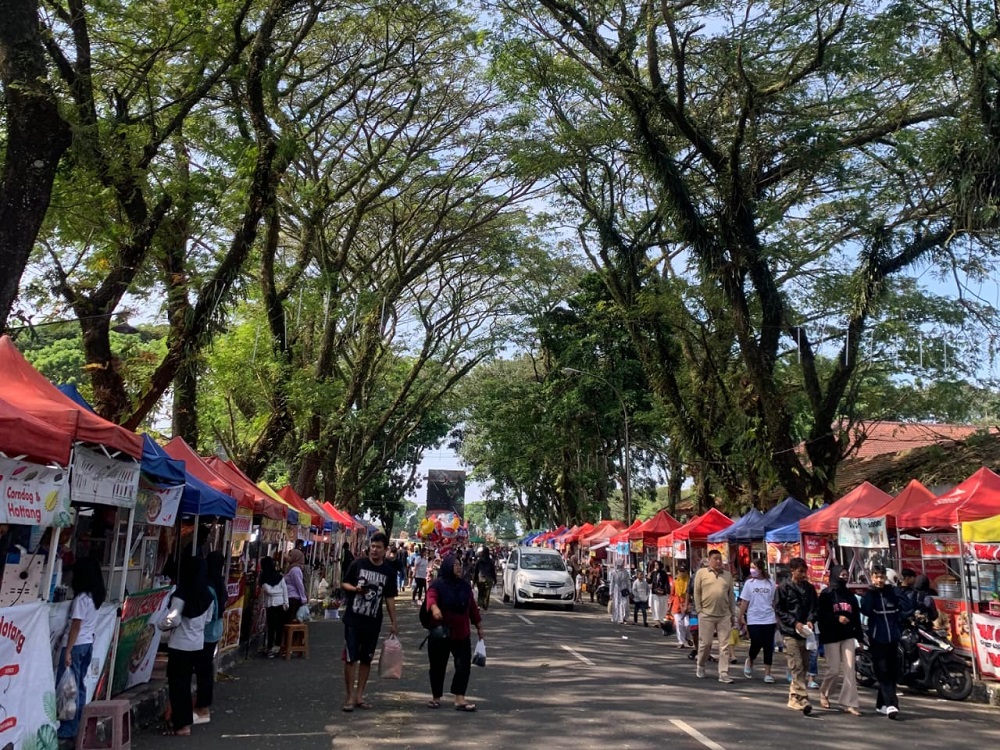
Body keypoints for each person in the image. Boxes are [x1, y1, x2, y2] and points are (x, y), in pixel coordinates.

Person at [340, 531, 399, 712]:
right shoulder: (358, 564)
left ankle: (359, 695)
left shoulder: (388, 571)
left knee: (366, 659)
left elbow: (389, 598)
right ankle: (349, 696)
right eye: (372, 546)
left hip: (373, 622)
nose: (374, 550)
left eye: (378, 547)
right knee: (351, 658)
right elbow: (344, 583)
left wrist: (394, 622)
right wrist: (355, 589)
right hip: (353, 619)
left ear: (385, 550)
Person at [160, 556, 215, 736]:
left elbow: (173, 618)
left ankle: (182, 725)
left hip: (179, 645)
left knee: (178, 686)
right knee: (185, 684)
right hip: (197, 644)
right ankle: (182, 722)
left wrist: (159, 625)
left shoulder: (181, 594)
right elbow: (207, 620)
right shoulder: (208, 596)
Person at [426, 552, 485, 711]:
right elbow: (430, 597)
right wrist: (434, 607)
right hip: (441, 633)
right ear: (447, 566)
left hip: (462, 633)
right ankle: (436, 697)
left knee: (463, 665)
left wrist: (479, 627)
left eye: (460, 565)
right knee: (438, 665)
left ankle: (460, 698)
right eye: (455, 565)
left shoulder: (465, 586)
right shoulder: (438, 584)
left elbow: (472, 608)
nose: (459, 568)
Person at [56, 558, 106, 743]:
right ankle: (79, 723)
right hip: (87, 644)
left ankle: (69, 728)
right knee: (79, 686)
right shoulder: (95, 596)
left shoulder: (81, 599)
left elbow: (76, 625)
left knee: (69, 689)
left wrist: (68, 650)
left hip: (76, 645)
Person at [817, 564, 863, 716]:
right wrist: (837, 617)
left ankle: (849, 703)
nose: (844, 577)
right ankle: (824, 692)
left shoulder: (850, 596)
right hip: (831, 636)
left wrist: (860, 638)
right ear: (835, 575)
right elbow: (821, 615)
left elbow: (856, 617)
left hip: (848, 635)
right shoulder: (826, 594)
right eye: (841, 574)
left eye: (846, 574)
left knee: (850, 669)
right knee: (834, 669)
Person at [775, 557, 818, 713]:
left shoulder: (810, 588)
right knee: (796, 665)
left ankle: (794, 698)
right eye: (800, 571)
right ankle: (803, 698)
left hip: (806, 632)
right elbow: (780, 610)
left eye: (805, 571)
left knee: (805, 665)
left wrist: (810, 620)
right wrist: (794, 623)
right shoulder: (783, 588)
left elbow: (814, 608)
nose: (803, 574)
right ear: (792, 571)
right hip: (790, 632)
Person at [860, 564, 903, 719]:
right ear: (872, 577)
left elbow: (903, 607)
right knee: (882, 670)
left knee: (892, 671)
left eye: (882, 577)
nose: (879, 580)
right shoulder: (869, 594)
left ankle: (881, 704)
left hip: (893, 637)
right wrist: (871, 593)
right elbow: (865, 610)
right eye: (876, 577)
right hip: (877, 638)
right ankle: (892, 704)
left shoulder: (891, 592)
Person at [693, 549, 737, 683]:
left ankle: (723, 672)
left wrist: (732, 614)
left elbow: (731, 596)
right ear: (709, 560)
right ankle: (701, 665)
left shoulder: (727, 575)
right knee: (706, 644)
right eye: (715, 559)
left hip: (724, 615)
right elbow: (696, 592)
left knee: (724, 645)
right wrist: (699, 610)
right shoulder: (702, 573)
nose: (718, 561)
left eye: (720, 559)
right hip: (706, 614)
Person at [194, 551, 227, 725]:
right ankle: (203, 704)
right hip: (215, 630)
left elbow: (208, 615)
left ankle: (203, 706)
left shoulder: (208, 586)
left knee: (203, 670)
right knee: (206, 669)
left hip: (206, 632)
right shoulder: (220, 583)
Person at [738, 557, 777, 683]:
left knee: (768, 646)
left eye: (754, 567)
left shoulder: (770, 582)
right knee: (756, 642)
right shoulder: (749, 583)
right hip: (754, 617)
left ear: (760, 569)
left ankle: (768, 673)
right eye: (751, 567)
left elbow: (774, 602)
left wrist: (777, 616)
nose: (752, 570)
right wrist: (740, 616)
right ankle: (750, 660)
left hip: (769, 618)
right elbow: (744, 602)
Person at [259, 556, 288, 658]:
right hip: (274, 604)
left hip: (275, 604)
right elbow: (271, 591)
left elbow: (274, 590)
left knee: (276, 626)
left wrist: (285, 602)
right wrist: (281, 595)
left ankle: (275, 647)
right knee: (273, 627)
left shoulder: (265, 578)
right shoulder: (278, 577)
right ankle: (272, 647)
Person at [671, 562, 691, 648]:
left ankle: (687, 637)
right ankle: (681, 642)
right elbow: (672, 594)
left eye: (683, 571)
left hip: (688, 605)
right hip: (677, 605)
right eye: (680, 571)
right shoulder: (675, 582)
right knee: (679, 625)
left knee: (687, 624)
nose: (682, 573)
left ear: (687, 572)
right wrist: (669, 608)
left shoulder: (690, 582)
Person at [285, 548, 308, 621]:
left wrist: (303, 598)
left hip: (293, 598)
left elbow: (299, 585)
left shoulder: (295, 570)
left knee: (290, 620)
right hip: (291, 596)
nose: (288, 557)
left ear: (296, 557)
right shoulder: (292, 568)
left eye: (290, 555)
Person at [473, 547, 497, 611]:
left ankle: (479, 605)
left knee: (480, 592)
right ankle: (485, 605)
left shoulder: (479, 561)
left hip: (481, 578)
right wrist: (495, 579)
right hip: (489, 578)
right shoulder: (491, 561)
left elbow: (476, 571)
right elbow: (493, 571)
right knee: (487, 593)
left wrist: (474, 580)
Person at [648, 560, 670, 626]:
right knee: (655, 607)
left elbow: (666, 583)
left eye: (657, 565)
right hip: (655, 592)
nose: (656, 566)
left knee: (662, 607)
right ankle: (656, 620)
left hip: (662, 593)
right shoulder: (653, 573)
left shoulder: (664, 573)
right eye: (655, 565)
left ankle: (661, 619)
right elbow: (649, 581)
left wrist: (667, 591)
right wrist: (648, 577)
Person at [609, 560, 631, 625]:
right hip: (616, 591)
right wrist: (611, 592)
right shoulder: (613, 572)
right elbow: (612, 583)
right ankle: (617, 617)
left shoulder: (625, 572)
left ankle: (624, 618)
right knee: (616, 604)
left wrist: (629, 590)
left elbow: (628, 582)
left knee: (624, 604)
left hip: (624, 590)